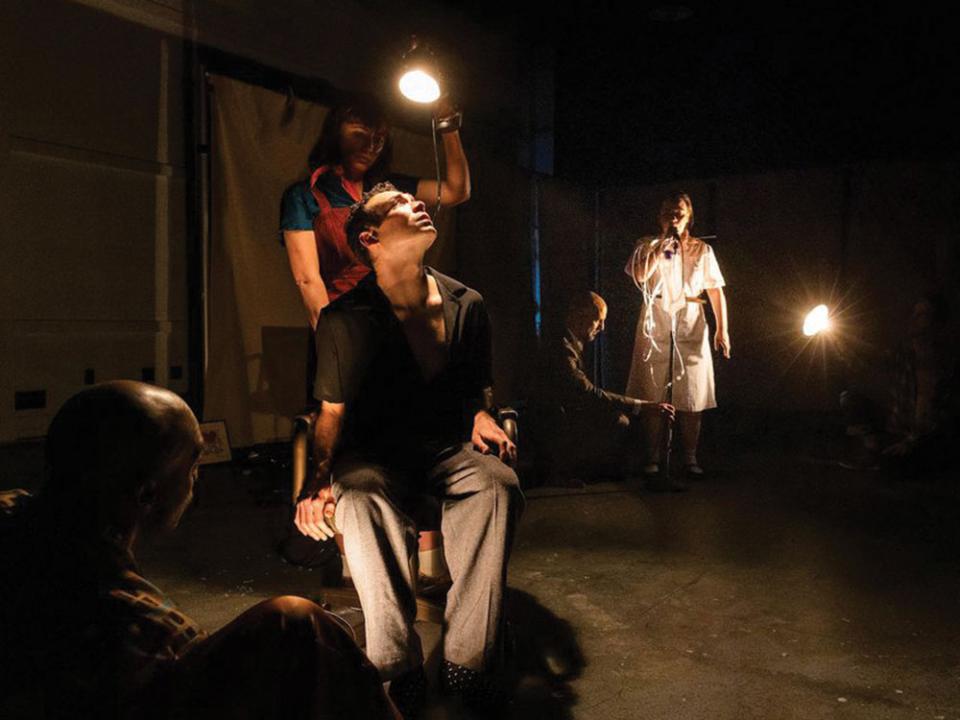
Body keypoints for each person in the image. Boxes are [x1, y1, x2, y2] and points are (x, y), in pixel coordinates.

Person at [0, 381, 398, 720]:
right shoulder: (134, 624)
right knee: (298, 622)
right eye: (191, 469)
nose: (196, 484)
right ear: (148, 495)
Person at [293, 183, 522, 718]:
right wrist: (317, 479)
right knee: (361, 496)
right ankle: (396, 666)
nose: (416, 203)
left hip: (448, 448)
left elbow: (477, 389)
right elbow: (331, 412)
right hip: (376, 455)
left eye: (412, 198)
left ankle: (469, 660)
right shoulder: (344, 318)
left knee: (497, 486)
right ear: (371, 237)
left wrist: (483, 412)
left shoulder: (469, 303)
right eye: (397, 203)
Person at [279, 94, 471, 396]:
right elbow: (308, 279)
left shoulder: (390, 192)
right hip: (344, 326)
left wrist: (449, 127)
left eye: (379, 139)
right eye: (360, 135)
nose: (370, 147)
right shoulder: (305, 196)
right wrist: (335, 347)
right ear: (336, 133)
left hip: (400, 325)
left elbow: (455, 191)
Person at [624, 192, 730, 480]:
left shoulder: (702, 250)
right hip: (656, 318)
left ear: (688, 217)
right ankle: (653, 457)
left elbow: (715, 290)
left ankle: (691, 457)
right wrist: (661, 249)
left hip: (690, 319)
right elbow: (640, 275)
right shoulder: (647, 245)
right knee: (653, 389)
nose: (673, 217)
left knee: (691, 392)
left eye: (678, 213)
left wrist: (723, 329)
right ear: (660, 217)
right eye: (668, 212)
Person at [533, 291, 674, 486]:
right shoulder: (563, 349)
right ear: (580, 316)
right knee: (617, 421)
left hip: (560, 414)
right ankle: (570, 471)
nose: (602, 327)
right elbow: (587, 393)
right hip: (555, 420)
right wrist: (641, 406)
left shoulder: (568, 343)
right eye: (598, 320)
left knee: (617, 419)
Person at [840, 292, 957, 477]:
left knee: (898, 464)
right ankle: (875, 451)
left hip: (927, 440)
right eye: (914, 313)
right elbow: (866, 362)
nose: (914, 319)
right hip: (897, 432)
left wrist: (911, 442)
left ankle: (889, 459)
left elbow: (943, 416)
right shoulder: (903, 355)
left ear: (936, 324)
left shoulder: (948, 363)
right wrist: (838, 341)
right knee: (850, 398)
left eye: (922, 315)